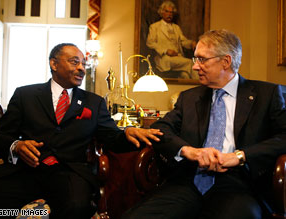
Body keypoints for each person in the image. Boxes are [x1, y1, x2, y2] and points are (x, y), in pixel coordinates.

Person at [122, 29, 286, 219]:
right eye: (195, 59)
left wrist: (239, 156)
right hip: (189, 182)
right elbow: (160, 128)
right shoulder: (189, 98)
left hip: (239, 184)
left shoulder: (267, 95)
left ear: (226, 61)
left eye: (202, 59)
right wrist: (189, 150)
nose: (195, 67)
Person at [0, 43, 162, 219]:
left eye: (84, 63)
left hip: (70, 174)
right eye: (75, 62)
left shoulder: (94, 103)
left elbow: (112, 138)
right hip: (27, 170)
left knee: (77, 207)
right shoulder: (25, 95)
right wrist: (16, 145)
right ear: (54, 64)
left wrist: (127, 133)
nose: (82, 68)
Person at [146, 0, 197, 79]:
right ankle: (199, 85)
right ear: (162, 12)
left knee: (185, 75)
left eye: (171, 12)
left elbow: (183, 41)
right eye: (167, 12)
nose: (169, 14)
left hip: (178, 57)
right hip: (164, 59)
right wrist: (166, 51)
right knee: (190, 63)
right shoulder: (155, 27)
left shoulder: (176, 28)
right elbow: (150, 43)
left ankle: (191, 88)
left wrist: (191, 43)